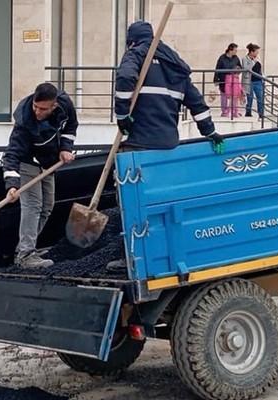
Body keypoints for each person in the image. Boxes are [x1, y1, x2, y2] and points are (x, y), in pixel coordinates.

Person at [111, 20, 224, 272]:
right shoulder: (175, 65)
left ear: (132, 40)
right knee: (161, 205)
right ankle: (165, 252)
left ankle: (131, 256)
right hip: (168, 147)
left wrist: (122, 117)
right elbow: (198, 104)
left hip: (139, 146)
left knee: (132, 204)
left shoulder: (136, 55)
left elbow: (125, 77)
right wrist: (211, 132)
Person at [3, 82, 78, 268]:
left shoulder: (65, 105)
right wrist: (12, 185)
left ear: (54, 106)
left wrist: (65, 148)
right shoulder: (25, 121)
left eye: (43, 109)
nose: (37, 112)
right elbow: (11, 154)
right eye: (35, 106)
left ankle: (27, 247)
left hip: (48, 162)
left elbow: (71, 127)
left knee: (47, 206)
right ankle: (25, 255)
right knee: (33, 206)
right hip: (28, 163)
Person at [213, 43, 242, 117]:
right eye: (235, 50)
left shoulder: (236, 58)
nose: (236, 52)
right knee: (224, 95)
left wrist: (237, 72)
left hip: (234, 79)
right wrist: (216, 79)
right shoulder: (222, 58)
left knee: (234, 95)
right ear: (230, 50)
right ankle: (224, 111)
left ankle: (233, 111)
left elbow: (240, 67)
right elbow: (217, 68)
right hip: (223, 79)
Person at [242, 43, 265, 118]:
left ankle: (261, 113)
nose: (257, 53)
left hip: (258, 81)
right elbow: (246, 69)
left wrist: (263, 78)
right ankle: (248, 112)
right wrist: (253, 62)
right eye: (256, 51)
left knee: (260, 97)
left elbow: (260, 69)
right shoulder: (245, 59)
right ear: (251, 52)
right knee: (250, 97)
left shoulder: (258, 59)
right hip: (250, 81)